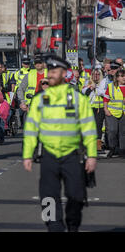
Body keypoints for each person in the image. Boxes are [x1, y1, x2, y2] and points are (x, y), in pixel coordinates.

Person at [23, 56, 97, 232]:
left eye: (55, 72)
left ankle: (72, 225)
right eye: (50, 72)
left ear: (64, 74)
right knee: (48, 197)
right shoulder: (41, 100)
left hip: (73, 155)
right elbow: (31, 129)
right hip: (49, 155)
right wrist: (27, 154)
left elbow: (89, 129)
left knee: (77, 196)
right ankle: (54, 227)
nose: (51, 75)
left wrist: (92, 155)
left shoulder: (78, 99)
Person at [82, 69, 105, 152]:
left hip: (100, 108)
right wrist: (91, 88)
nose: (96, 76)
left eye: (98, 74)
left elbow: (104, 93)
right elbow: (84, 92)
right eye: (94, 74)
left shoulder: (103, 83)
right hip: (90, 108)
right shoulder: (87, 82)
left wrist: (97, 89)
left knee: (99, 127)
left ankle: (98, 145)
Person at [103, 68, 125, 158]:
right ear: (117, 77)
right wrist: (105, 109)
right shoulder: (111, 86)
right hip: (112, 112)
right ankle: (112, 149)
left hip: (123, 113)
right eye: (122, 76)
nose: (124, 78)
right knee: (112, 131)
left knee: (123, 132)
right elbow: (106, 99)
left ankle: (122, 150)